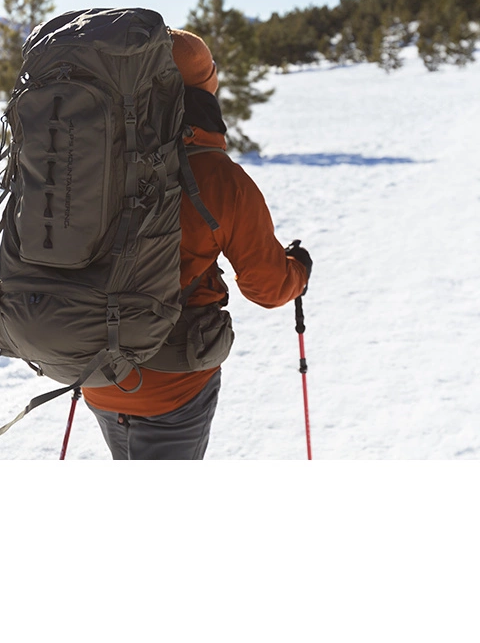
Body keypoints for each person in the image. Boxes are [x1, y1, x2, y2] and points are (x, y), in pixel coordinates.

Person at [82, 28, 311, 459]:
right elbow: (266, 286)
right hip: (175, 385)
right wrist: (298, 271)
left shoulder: (91, 162)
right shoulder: (219, 177)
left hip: (94, 371)